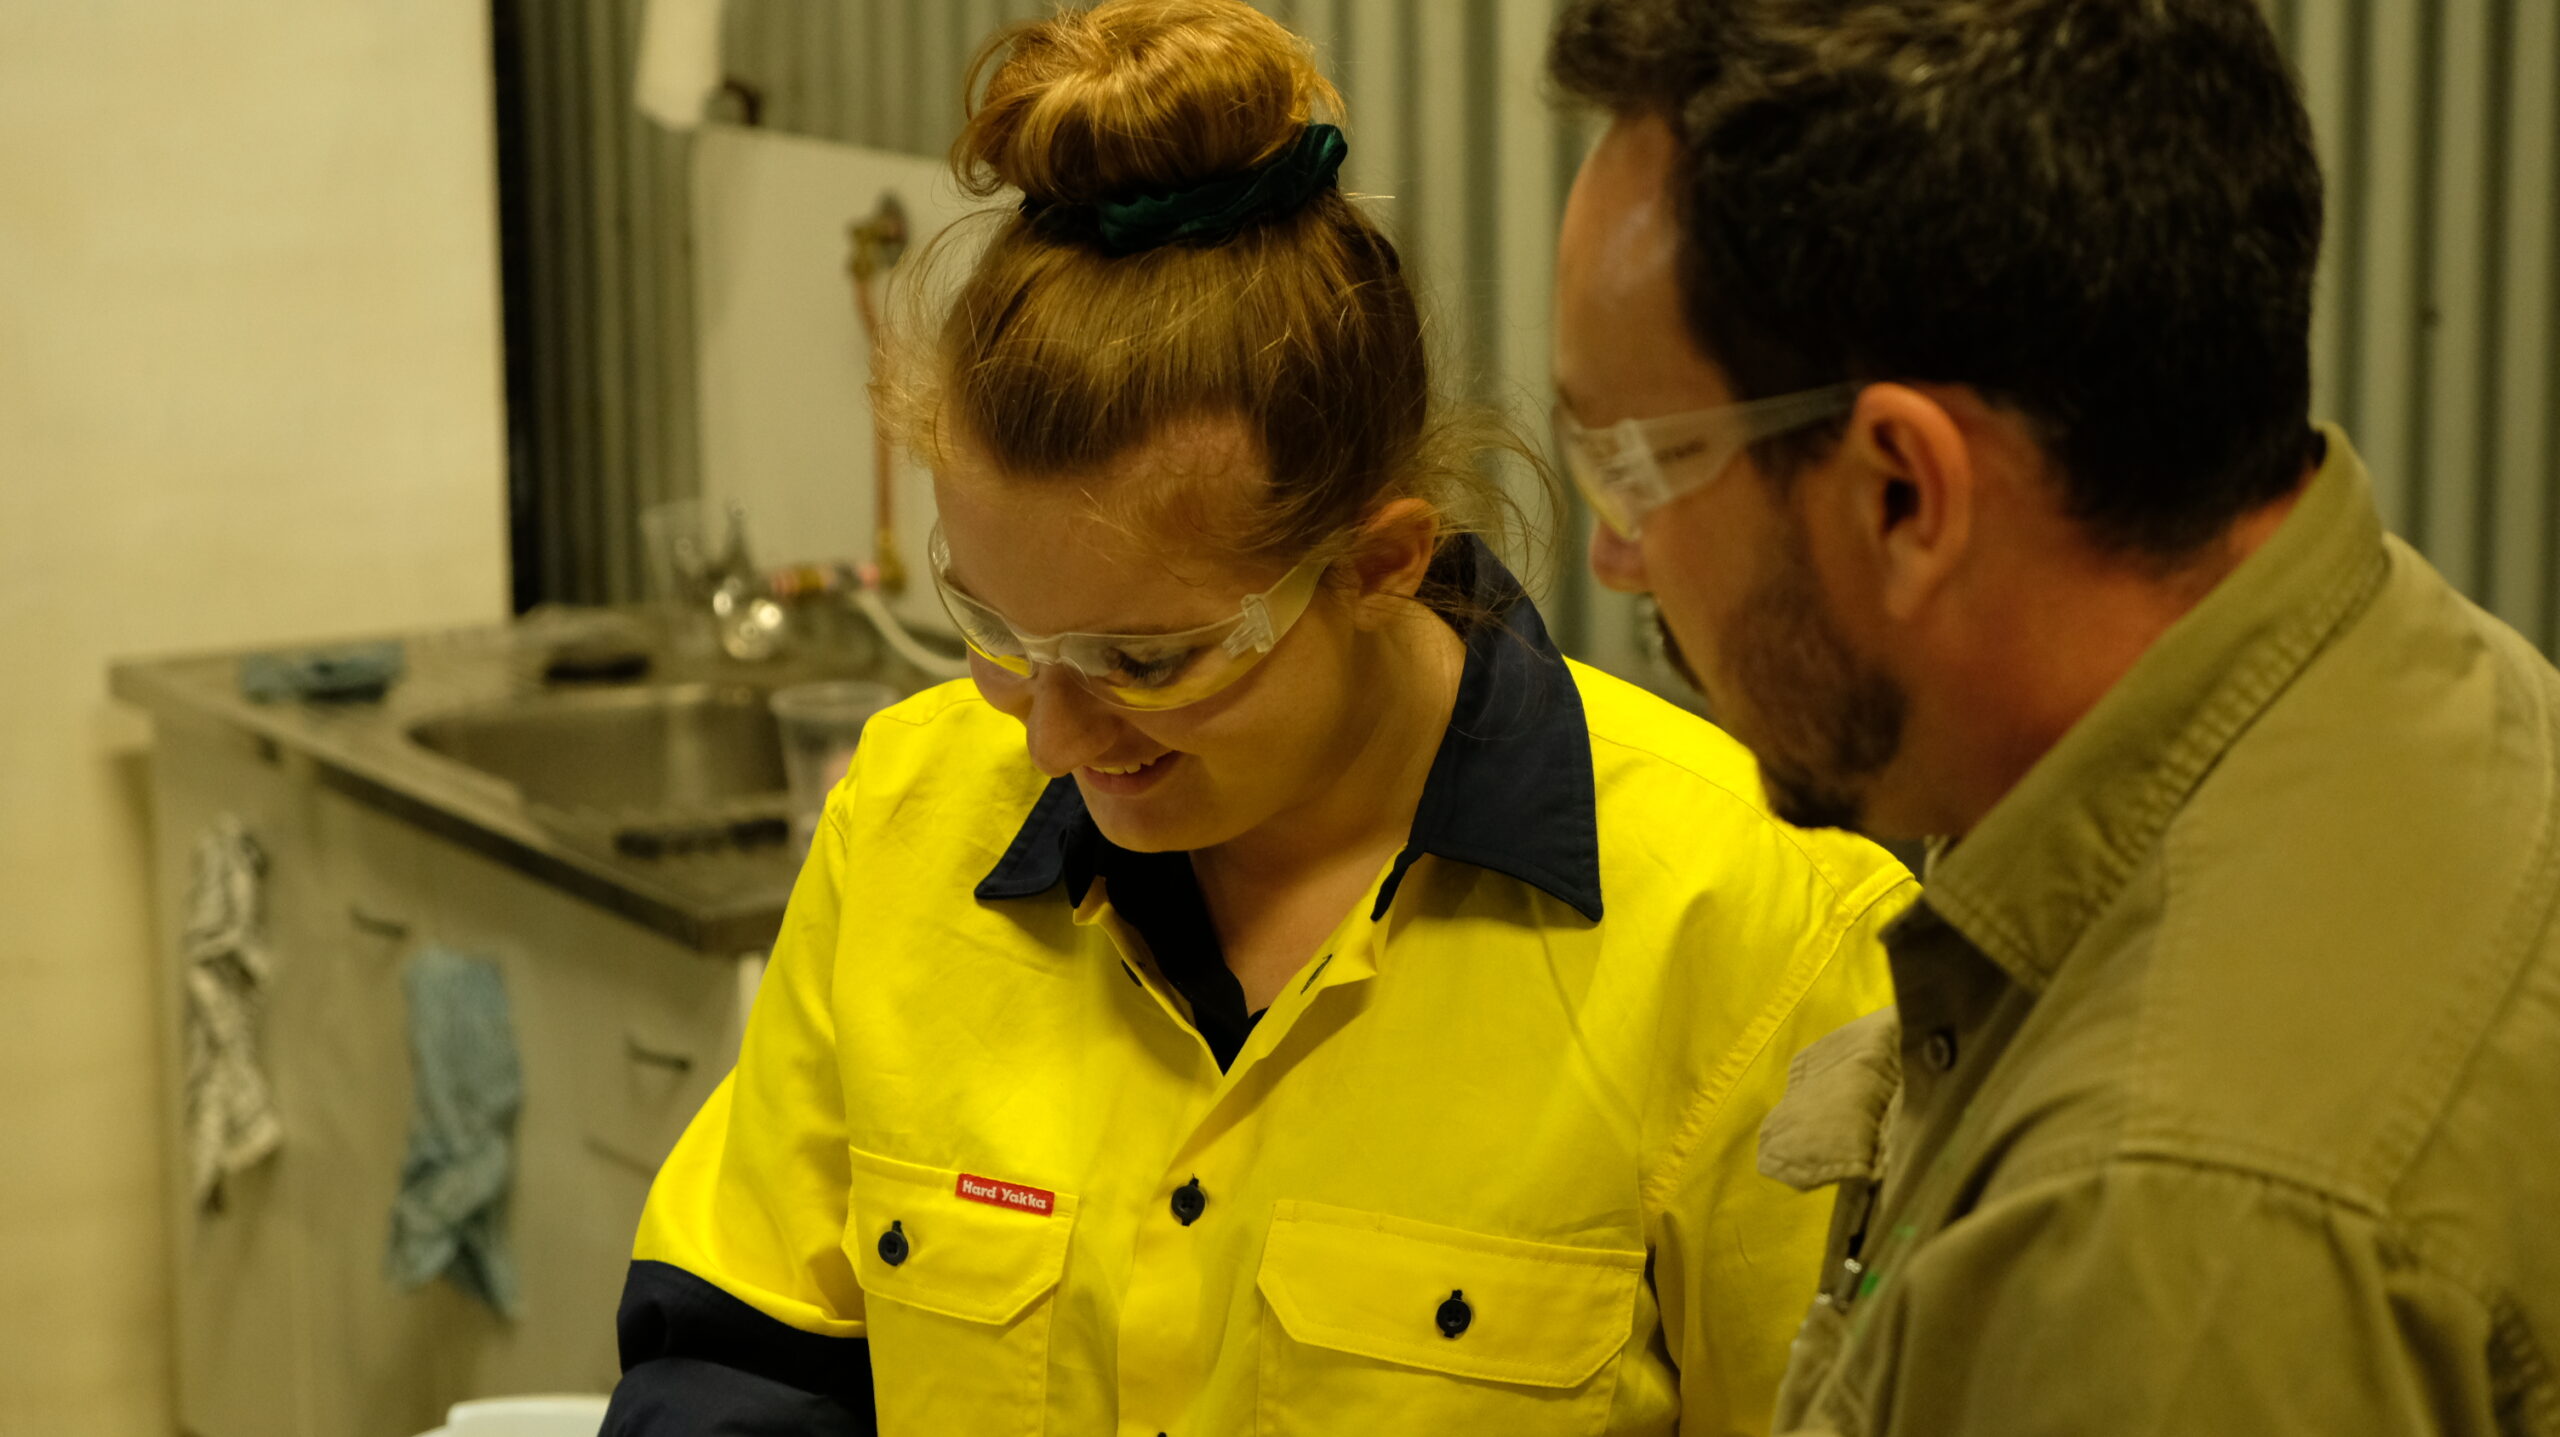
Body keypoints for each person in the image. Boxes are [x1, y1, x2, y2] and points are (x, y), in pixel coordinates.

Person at [601, 3, 1912, 1434]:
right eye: (996, 630)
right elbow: (738, 1359)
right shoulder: (906, 818)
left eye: (1146, 658)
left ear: (1375, 565)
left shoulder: (1749, 928)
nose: (1051, 733)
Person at [1546, 0, 2560, 1431]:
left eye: (1641, 465)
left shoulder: (2157, 1248)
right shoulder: (2404, 669)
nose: (1616, 554)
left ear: (1905, 490)